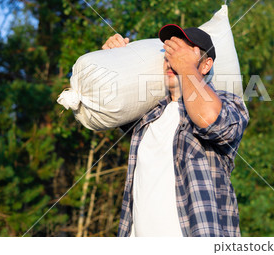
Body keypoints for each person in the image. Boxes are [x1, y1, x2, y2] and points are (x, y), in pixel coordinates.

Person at [102, 25, 249, 237]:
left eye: (184, 51)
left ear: (206, 65)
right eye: (169, 52)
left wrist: (187, 68)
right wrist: (113, 59)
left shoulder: (230, 103)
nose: (172, 58)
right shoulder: (148, 115)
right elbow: (108, 105)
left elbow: (210, 121)